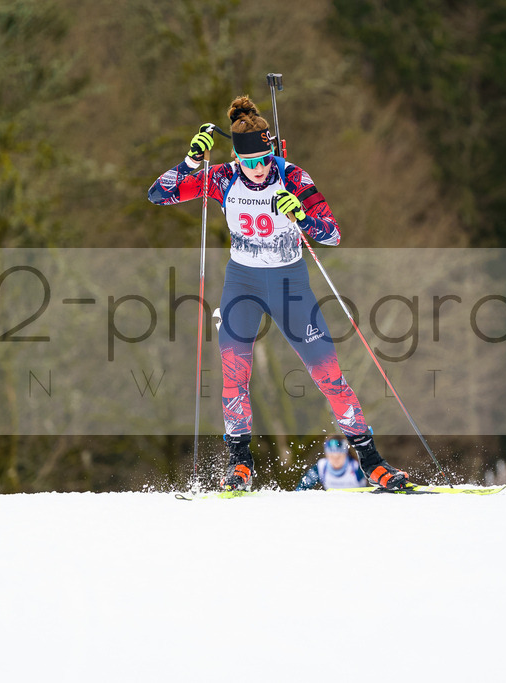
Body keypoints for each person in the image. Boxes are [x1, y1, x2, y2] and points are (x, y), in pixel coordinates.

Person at [148, 95, 409, 492]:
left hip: (290, 285)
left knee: (328, 375)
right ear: (237, 159)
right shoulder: (222, 177)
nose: (258, 169)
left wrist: (302, 215)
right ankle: (239, 464)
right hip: (243, 284)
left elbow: (332, 234)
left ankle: (371, 461)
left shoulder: (292, 177)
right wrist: (190, 163)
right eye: (249, 163)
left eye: (264, 159)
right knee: (234, 374)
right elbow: (158, 194)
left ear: (272, 152)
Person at [295, 436, 368, 491]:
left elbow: (371, 485)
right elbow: (301, 487)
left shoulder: (356, 466)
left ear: (346, 454)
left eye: (339, 456)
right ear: (327, 455)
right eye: (331, 456)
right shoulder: (321, 467)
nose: (335, 459)